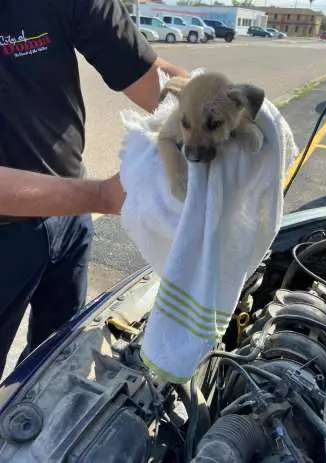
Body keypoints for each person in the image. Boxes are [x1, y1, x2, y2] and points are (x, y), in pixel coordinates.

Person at [0, 0, 188, 375]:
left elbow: (149, 78)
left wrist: (206, 101)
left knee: (54, 366)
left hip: (70, 222)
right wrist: (100, 195)